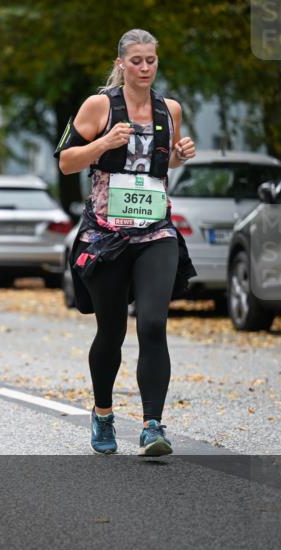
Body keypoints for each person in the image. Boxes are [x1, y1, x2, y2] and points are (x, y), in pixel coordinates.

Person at [54, 29, 196, 457]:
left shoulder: (169, 109)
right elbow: (64, 162)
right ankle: (102, 414)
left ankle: (153, 425)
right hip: (106, 235)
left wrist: (179, 153)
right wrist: (103, 142)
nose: (145, 68)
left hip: (155, 231)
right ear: (120, 64)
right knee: (111, 331)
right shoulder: (99, 106)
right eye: (136, 60)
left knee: (153, 324)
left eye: (151, 60)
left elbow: (161, 162)